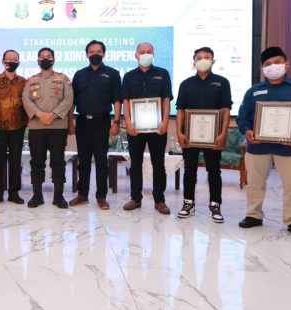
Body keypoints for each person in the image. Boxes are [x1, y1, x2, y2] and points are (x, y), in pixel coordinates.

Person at [236, 46, 291, 239]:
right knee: (254, 183)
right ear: (262, 68)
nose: (273, 66)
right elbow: (242, 116)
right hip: (258, 147)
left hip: (290, 147)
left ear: (286, 64)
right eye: (268, 64)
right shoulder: (253, 91)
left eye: (277, 62)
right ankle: (253, 215)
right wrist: (247, 131)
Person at [175, 47, 232, 223]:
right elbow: (180, 110)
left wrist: (223, 133)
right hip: (189, 135)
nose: (203, 60)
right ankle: (188, 203)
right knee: (189, 169)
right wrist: (179, 132)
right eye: (199, 57)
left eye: (207, 57)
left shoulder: (222, 82)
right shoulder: (185, 84)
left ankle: (215, 205)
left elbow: (226, 109)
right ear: (194, 61)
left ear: (213, 60)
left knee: (214, 170)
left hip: (213, 136)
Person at [69, 40, 122, 210]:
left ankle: (101, 196)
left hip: (102, 122)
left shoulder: (113, 74)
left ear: (104, 53)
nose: (95, 54)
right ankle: (82, 194)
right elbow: (72, 101)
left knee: (101, 161)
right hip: (82, 122)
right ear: (87, 54)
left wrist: (116, 122)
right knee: (83, 161)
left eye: (98, 51)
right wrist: (70, 121)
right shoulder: (79, 74)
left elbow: (117, 100)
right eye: (91, 52)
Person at [121, 42, 173, 214]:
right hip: (135, 128)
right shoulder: (128, 76)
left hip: (158, 128)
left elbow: (166, 99)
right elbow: (125, 101)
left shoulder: (163, 74)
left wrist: (165, 121)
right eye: (142, 52)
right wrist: (128, 122)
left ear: (153, 54)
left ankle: (159, 200)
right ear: (136, 55)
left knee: (158, 164)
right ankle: (135, 198)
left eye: (149, 51)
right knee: (135, 164)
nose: (145, 54)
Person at [22, 47, 74, 209]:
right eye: (42, 56)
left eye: (49, 56)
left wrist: (53, 115)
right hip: (36, 127)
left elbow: (68, 99)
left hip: (58, 126)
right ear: (38, 60)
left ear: (53, 60)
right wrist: (39, 114)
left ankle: (58, 196)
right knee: (37, 161)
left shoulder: (63, 79)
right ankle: (37, 196)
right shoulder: (30, 81)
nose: (45, 58)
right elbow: (26, 99)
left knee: (58, 161)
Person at [0, 50, 28, 205]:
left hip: (18, 127)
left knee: (16, 162)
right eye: (8, 58)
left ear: (19, 62)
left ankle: (14, 193)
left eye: (14, 59)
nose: (11, 61)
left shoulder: (24, 82)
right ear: (3, 61)